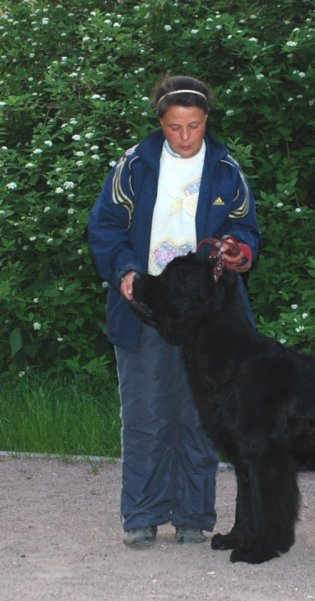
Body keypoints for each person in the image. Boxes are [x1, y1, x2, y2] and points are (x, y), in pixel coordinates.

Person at [88, 75, 260, 547]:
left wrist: (238, 250)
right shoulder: (134, 166)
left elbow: (246, 227)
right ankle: (142, 516)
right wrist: (123, 268)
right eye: (174, 128)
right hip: (145, 306)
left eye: (195, 126)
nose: (185, 137)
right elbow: (104, 225)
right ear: (160, 123)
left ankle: (192, 516)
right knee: (146, 414)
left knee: (201, 416)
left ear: (207, 121)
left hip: (211, 319)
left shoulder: (226, 168)